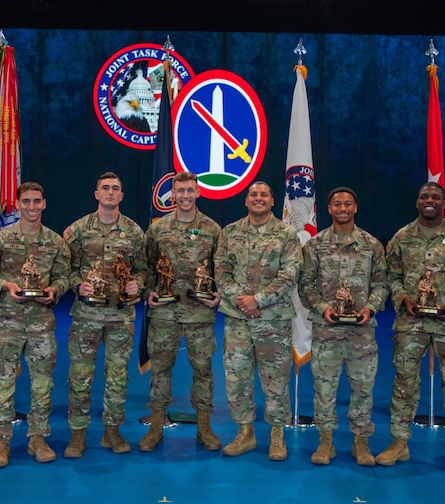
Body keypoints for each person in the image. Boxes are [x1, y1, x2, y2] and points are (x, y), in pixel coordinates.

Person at [376, 182, 445, 477]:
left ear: (443, 203)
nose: (429, 200)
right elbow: (391, 277)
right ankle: (399, 443)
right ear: (417, 202)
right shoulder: (401, 238)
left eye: (435, 197)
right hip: (411, 323)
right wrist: (402, 298)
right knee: (404, 383)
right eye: (424, 197)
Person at [0, 182, 70, 468]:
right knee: (2, 386)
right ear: (17, 204)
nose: (31, 206)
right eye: (26, 201)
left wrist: (55, 291)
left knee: (42, 385)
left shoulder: (56, 242)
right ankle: (1, 442)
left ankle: (37, 439)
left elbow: (64, 278)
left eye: (36, 201)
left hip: (41, 325)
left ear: (44, 204)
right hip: (6, 323)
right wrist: (4, 285)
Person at [298, 186, 388, 466]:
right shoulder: (315, 245)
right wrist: (322, 307)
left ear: (355, 208)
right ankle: (326, 442)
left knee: (363, 387)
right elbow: (306, 285)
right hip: (326, 331)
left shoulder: (372, 245)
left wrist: (370, 307)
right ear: (329, 208)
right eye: (337, 204)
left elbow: (381, 284)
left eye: (348, 203)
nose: (343, 208)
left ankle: (360, 442)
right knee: (325, 388)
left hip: (361, 331)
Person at [214, 181, 302, 460]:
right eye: (253, 194)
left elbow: (290, 275)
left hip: (273, 320)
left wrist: (258, 300)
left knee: (276, 380)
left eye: (264, 194)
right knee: (236, 377)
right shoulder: (229, 232)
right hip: (238, 319)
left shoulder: (287, 234)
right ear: (246, 200)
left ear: (272, 201)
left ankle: (277, 435)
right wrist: (243, 300)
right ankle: (245, 433)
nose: (259, 198)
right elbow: (221, 272)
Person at [63, 172, 146, 458]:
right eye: (105, 188)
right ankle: (78, 434)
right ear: (96, 194)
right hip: (87, 314)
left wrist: (139, 283)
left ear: (121, 196)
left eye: (116, 189)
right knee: (80, 375)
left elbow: (144, 268)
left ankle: (112, 431)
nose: (110, 192)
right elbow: (66, 268)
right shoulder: (78, 230)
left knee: (117, 377)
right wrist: (78, 284)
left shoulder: (134, 232)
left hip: (121, 316)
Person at [138, 171, 222, 452]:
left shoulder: (213, 229)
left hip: (200, 312)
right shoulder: (158, 229)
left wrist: (219, 294)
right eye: (180, 191)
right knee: (160, 371)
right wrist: (149, 290)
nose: (185, 196)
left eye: (190, 190)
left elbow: (219, 268)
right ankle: (156, 427)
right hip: (165, 312)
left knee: (203, 370)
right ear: (172, 195)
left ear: (198, 193)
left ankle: (204, 428)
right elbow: (147, 267)